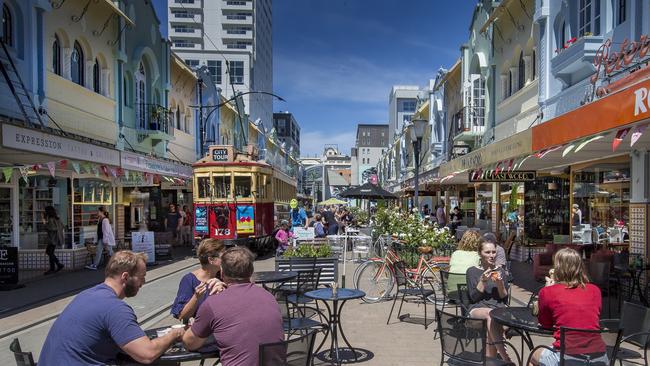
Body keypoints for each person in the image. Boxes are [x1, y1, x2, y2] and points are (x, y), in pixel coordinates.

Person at [39, 251, 184, 365]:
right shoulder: (115, 308)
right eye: (142, 277)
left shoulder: (86, 295)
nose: (143, 282)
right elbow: (147, 354)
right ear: (125, 277)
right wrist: (174, 334)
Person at [182, 247, 283, 365]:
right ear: (251, 272)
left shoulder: (213, 303)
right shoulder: (269, 297)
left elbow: (190, 343)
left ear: (222, 273)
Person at [529, 248, 604, 366]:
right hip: (599, 357)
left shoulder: (548, 292)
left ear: (557, 268)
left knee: (534, 354)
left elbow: (545, 323)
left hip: (568, 357)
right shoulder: (595, 290)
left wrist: (547, 290)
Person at [466, 241, 510, 361]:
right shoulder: (472, 271)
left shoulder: (500, 271)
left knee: (491, 321)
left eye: (493, 252)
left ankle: (491, 360)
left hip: (498, 310)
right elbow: (473, 298)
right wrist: (483, 281)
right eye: (487, 252)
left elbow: (504, 298)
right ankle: (506, 359)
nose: (491, 255)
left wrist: (500, 284)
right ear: (480, 254)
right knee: (491, 315)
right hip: (477, 309)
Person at [171, 238, 226, 323]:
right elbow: (182, 315)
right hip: (199, 332)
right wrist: (196, 297)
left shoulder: (224, 277)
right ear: (211, 260)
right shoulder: (189, 280)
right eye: (223, 257)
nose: (226, 260)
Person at [86, 206, 115, 270]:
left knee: (109, 252)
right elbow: (99, 231)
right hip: (102, 238)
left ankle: (117, 264)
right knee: (101, 251)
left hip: (104, 239)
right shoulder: (100, 219)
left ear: (102, 212)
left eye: (98, 211)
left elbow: (106, 231)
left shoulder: (105, 220)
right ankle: (95, 265)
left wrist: (105, 240)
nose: (97, 212)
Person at [43, 206, 64, 275]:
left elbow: (52, 228)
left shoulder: (51, 219)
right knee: (50, 252)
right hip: (56, 238)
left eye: (45, 211)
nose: (45, 212)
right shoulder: (57, 218)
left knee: (49, 252)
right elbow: (62, 226)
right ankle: (55, 266)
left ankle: (56, 266)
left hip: (52, 239)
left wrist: (45, 224)